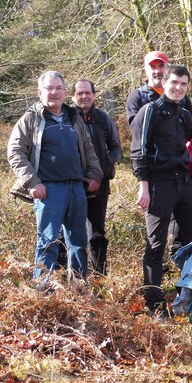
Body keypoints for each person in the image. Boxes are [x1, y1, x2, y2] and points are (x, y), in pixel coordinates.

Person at [7, 71, 103, 280]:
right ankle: (43, 292)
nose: (54, 92)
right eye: (49, 88)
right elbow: (15, 153)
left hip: (76, 188)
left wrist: (95, 175)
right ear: (39, 92)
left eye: (58, 88)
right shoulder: (31, 119)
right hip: (49, 191)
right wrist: (32, 182)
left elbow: (88, 149)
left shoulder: (73, 118)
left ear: (65, 92)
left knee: (78, 242)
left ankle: (79, 290)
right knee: (48, 242)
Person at [130, 64, 192, 316]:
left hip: (183, 182)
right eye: (175, 83)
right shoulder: (149, 111)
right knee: (156, 244)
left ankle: (190, 297)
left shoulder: (183, 113)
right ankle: (155, 303)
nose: (178, 88)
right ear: (164, 82)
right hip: (158, 184)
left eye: (184, 84)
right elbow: (139, 151)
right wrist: (143, 186)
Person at [70, 79, 122, 275]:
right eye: (80, 93)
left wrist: (105, 165)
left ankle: (100, 276)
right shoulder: (66, 117)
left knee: (97, 232)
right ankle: (74, 276)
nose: (84, 97)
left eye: (88, 93)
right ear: (73, 96)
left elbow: (116, 147)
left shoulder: (102, 118)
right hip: (72, 182)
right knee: (71, 232)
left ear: (94, 95)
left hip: (100, 183)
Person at [125, 50, 192, 129]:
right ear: (146, 70)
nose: (157, 71)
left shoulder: (179, 95)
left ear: (168, 68)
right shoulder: (138, 97)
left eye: (161, 66)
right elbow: (136, 129)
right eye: (153, 67)